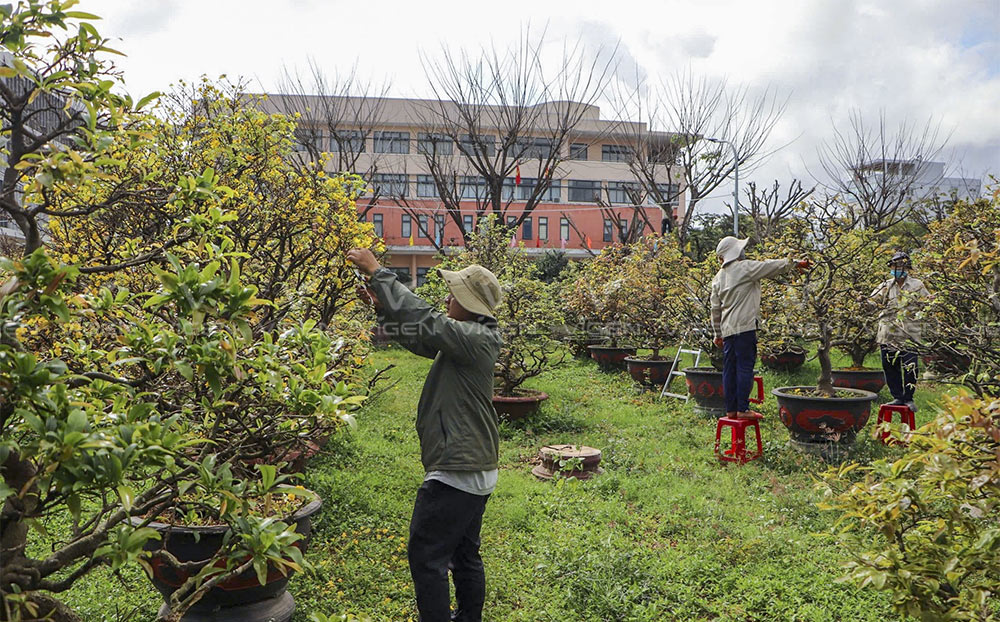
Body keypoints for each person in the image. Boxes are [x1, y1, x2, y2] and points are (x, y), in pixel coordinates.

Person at [347, 248, 502, 622]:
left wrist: (380, 273)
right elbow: (420, 337)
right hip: (473, 467)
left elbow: (428, 320)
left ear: (472, 306)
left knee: (427, 555)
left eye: (455, 295)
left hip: (457, 471)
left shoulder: (474, 338)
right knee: (464, 553)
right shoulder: (468, 338)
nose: (448, 298)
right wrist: (383, 306)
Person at [710, 236, 809, 420]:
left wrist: (717, 334)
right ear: (736, 252)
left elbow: (715, 309)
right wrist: (794, 263)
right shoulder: (744, 268)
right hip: (745, 327)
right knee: (745, 367)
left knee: (729, 369)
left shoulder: (718, 278)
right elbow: (770, 266)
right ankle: (742, 408)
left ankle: (731, 409)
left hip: (728, 329)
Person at [870, 251, 930, 413]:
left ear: (907, 267)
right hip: (888, 333)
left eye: (901, 266)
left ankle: (909, 398)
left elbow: (928, 304)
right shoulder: (885, 285)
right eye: (895, 266)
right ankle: (897, 396)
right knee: (889, 365)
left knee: (910, 366)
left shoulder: (917, 285)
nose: (897, 269)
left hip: (909, 332)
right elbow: (872, 302)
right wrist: (863, 301)